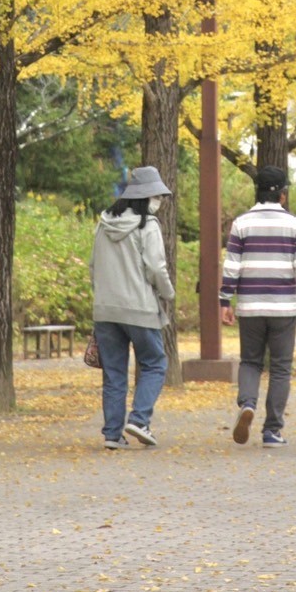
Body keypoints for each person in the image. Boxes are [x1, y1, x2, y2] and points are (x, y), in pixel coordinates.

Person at [220, 165, 296, 447]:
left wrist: (225, 301)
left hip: (250, 307)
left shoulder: (241, 223)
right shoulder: (294, 224)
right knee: (281, 368)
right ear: (283, 195)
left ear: (256, 192)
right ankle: (272, 431)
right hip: (283, 308)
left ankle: (247, 404)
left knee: (250, 361)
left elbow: (232, 266)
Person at [90, 165, 176, 450]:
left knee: (114, 372)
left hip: (105, 308)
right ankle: (139, 419)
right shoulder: (148, 226)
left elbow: (93, 267)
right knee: (154, 363)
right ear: (146, 198)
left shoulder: (103, 224)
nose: (160, 202)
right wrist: (168, 293)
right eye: (158, 197)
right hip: (139, 307)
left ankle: (112, 435)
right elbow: (156, 267)